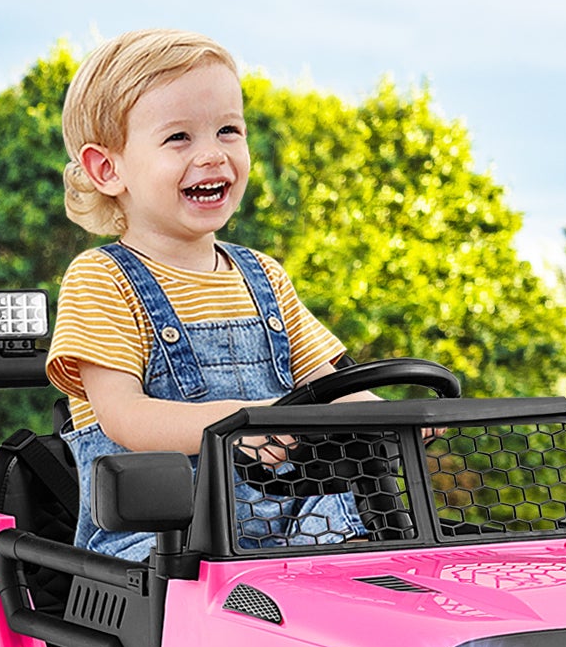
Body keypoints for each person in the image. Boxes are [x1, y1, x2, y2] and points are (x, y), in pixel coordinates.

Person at [47, 29, 368, 560]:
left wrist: (400, 419)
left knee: (370, 532)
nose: (213, 155)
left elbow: (333, 387)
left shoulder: (263, 276)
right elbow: (125, 418)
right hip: (160, 542)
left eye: (227, 130)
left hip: (291, 532)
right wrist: (247, 422)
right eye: (179, 138)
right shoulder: (101, 280)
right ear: (108, 169)